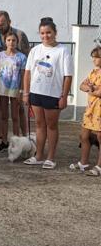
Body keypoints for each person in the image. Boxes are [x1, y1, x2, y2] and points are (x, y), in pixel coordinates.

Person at [22, 17, 73, 170]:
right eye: (42, 33)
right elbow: (27, 73)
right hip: (36, 93)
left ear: (55, 33)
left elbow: (68, 76)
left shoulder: (63, 51)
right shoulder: (35, 50)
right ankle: (39, 155)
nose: (46, 36)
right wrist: (26, 93)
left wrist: (63, 96)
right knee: (39, 125)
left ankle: (51, 157)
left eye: (49, 32)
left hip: (53, 94)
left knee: (51, 126)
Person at [0, 10, 31, 140]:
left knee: (19, 108)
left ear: (9, 22)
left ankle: (23, 136)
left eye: (2, 24)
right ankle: (1, 136)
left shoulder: (20, 35)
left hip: (17, 76)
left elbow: (27, 55)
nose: (0, 27)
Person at [0, 32, 27, 151]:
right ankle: (4, 140)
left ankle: (16, 141)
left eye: (13, 40)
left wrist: (21, 91)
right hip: (2, 88)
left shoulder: (21, 57)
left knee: (15, 116)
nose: (11, 42)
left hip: (15, 88)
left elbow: (23, 75)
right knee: (4, 116)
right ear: (5, 42)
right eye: (9, 40)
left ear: (17, 42)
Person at [71, 47, 101, 175]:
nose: (94, 60)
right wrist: (92, 88)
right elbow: (82, 85)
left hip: (99, 110)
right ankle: (84, 162)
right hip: (90, 109)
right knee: (84, 136)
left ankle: (99, 166)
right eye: (93, 57)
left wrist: (91, 88)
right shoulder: (93, 72)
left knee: (100, 137)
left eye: (97, 57)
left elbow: (99, 92)